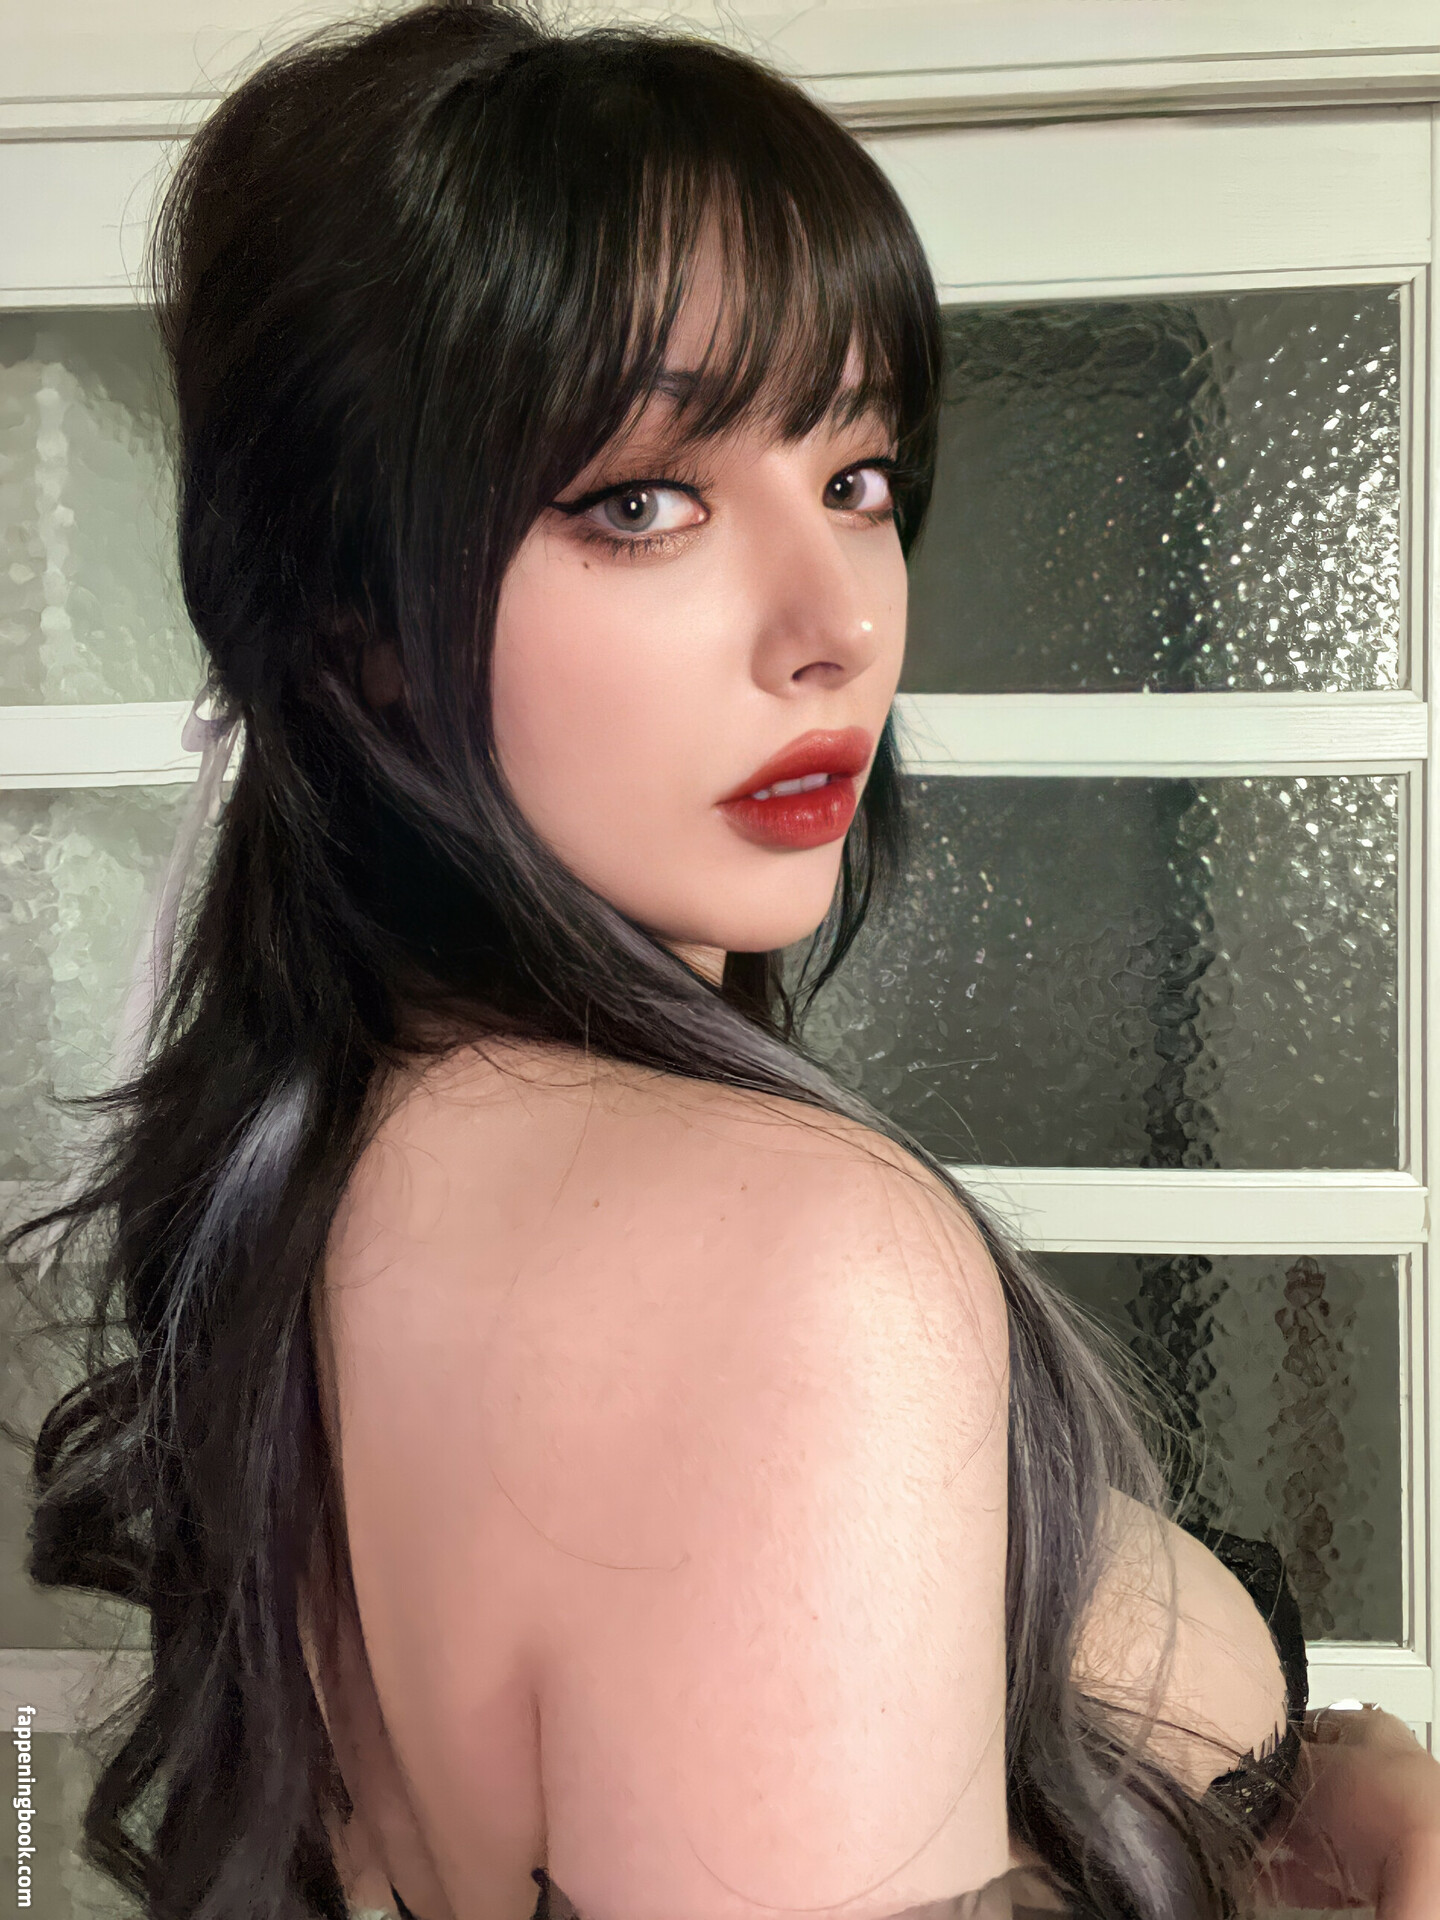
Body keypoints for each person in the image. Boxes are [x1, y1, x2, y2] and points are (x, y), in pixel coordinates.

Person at [6, 2, 1440, 1916]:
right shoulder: (780, 1264)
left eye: (857, 476)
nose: (836, 620)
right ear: (362, 628)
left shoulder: (364, 1164)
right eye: (643, 502)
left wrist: (1290, 1793)